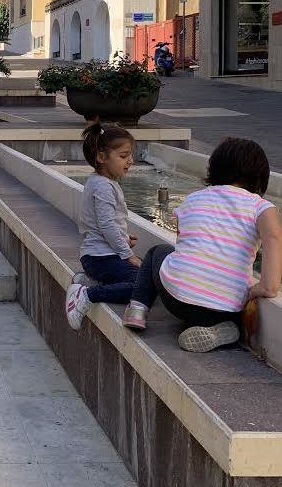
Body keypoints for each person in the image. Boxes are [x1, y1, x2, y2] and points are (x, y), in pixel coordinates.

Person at [121, 137, 282, 352]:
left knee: (157, 252)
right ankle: (227, 329)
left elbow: (184, 245)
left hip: (176, 299)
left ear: (214, 169)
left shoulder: (193, 199)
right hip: (226, 307)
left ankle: (137, 310)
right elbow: (274, 237)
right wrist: (267, 286)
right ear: (260, 176)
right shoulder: (261, 207)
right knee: (231, 297)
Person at [65, 123, 140, 330]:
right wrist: (128, 254)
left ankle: (91, 282)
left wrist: (123, 238)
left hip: (98, 257)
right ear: (101, 157)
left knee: (142, 278)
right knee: (140, 285)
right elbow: (106, 225)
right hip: (100, 258)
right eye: (124, 156)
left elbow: (103, 225)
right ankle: (87, 294)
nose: (130, 161)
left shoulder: (99, 181)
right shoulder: (104, 187)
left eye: (130, 155)